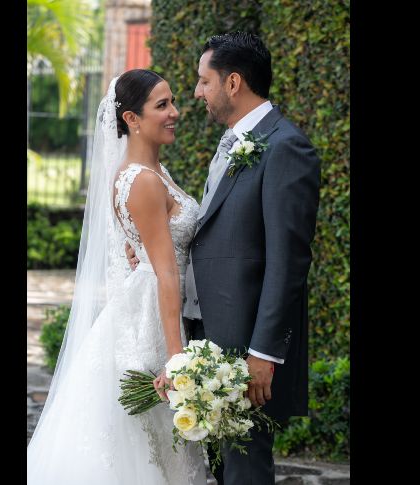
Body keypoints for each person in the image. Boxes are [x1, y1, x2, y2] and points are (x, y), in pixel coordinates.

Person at [128, 32, 322, 485]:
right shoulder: (236, 141)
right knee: (218, 468)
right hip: (207, 338)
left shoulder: (285, 146)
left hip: (246, 349)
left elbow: (288, 261)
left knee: (245, 469)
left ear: (232, 83)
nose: (196, 93)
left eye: (203, 81)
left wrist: (263, 353)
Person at [27, 69, 205, 485]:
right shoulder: (141, 180)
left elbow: (148, 249)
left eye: (173, 101)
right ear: (131, 119)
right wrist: (179, 359)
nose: (175, 112)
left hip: (148, 301)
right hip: (151, 318)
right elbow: (164, 269)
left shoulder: (150, 171)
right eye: (162, 105)